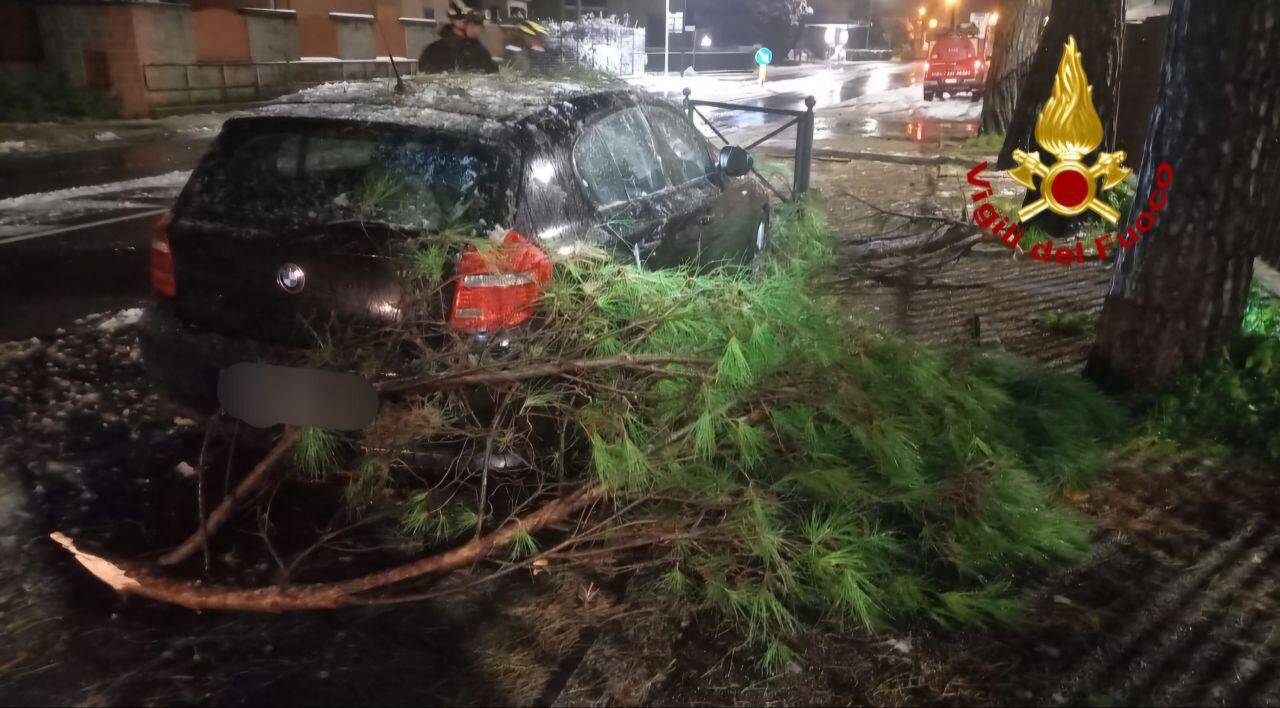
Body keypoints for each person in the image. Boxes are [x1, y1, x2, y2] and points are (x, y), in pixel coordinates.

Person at [418, 1, 498, 74]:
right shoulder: (437, 52)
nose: (481, 28)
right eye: (476, 22)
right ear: (461, 22)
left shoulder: (480, 51)